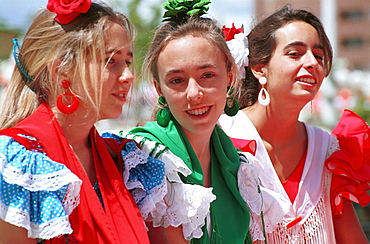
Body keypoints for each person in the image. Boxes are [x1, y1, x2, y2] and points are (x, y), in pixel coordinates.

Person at [0, 1, 165, 243]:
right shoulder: (18, 166)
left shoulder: (124, 160)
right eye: (111, 61)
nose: (129, 76)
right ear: (61, 71)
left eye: (128, 61)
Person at [218, 6, 370, 243]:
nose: (312, 63)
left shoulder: (329, 151)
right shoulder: (219, 139)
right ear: (259, 68)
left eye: (318, 56)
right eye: (295, 53)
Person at [112, 0, 252, 243]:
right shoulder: (147, 159)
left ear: (229, 76)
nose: (194, 93)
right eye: (177, 80)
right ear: (159, 89)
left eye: (207, 75)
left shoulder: (239, 164)